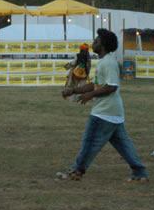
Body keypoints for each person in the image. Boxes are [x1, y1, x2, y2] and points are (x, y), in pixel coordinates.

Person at [57, 29, 148, 182]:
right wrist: (74, 90)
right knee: (124, 146)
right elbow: (97, 84)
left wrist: (89, 95)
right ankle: (139, 173)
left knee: (89, 142)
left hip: (104, 112)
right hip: (113, 113)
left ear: (103, 45)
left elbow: (111, 86)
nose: (94, 43)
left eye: (97, 41)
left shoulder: (109, 63)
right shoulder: (104, 62)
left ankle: (76, 171)